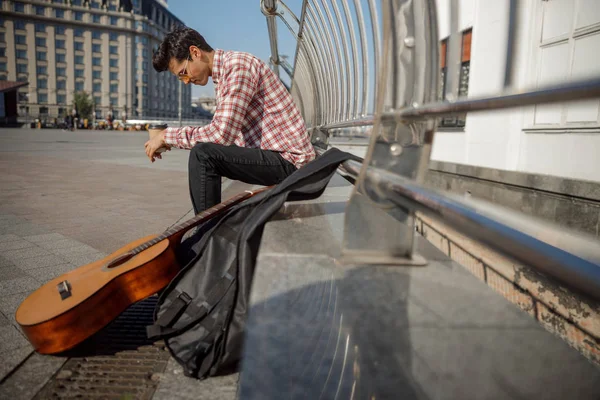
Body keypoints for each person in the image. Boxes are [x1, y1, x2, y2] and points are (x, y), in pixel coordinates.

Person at [145, 27, 315, 214]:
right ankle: (207, 230)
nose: (185, 81)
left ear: (195, 52)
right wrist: (174, 140)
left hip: (291, 162)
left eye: (183, 73)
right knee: (205, 151)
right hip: (280, 157)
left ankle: (206, 234)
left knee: (204, 155)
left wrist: (167, 136)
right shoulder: (225, 74)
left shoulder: (238, 67)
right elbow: (225, 135)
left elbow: (220, 135)